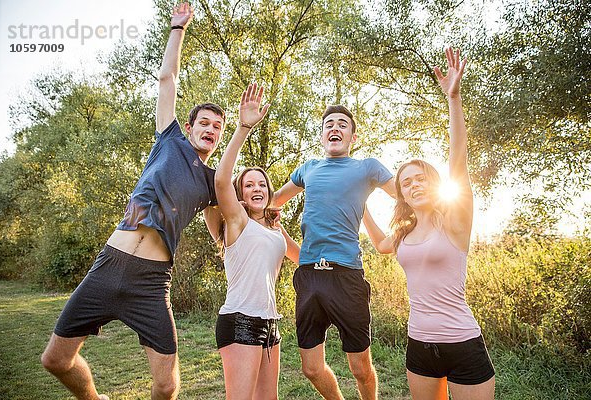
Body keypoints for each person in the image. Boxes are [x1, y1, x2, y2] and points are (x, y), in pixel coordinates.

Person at [41, 3, 225, 399]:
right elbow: (167, 79)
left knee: (166, 385)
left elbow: (227, 220)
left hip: (151, 281)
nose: (210, 129)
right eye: (204, 123)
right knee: (55, 360)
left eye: (217, 127)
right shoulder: (169, 142)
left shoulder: (213, 182)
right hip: (109, 266)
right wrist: (177, 29)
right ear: (189, 127)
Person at [362, 47, 495, 400]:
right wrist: (360, 206)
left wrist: (454, 98)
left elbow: (458, 159)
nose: (414, 184)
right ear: (402, 194)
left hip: (463, 343)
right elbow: (380, 245)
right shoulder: (404, 233)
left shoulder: (455, 223)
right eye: (406, 182)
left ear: (435, 184)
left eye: (421, 178)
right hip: (419, 346)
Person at [273, 105, 395, 400]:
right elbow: (271, 203)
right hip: (309, 277)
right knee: (311, 369)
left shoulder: (367, 167)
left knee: (360, 368)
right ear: (322, 135)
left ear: (353, 136)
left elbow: (405, 194)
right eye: (329, 124)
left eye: (342, 124)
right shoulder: (308, 168)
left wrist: (407, 228)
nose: (335, 128)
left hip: (347, 276)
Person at [207, 83, 299, 400]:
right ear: (241, 194)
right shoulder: (237, 222)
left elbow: (303, 258)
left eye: (262, 183)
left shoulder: (275, 227)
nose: (257, 188)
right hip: (240, 321)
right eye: (249, 185)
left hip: (271, 325)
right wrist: (243, 127)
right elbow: (221, 180)